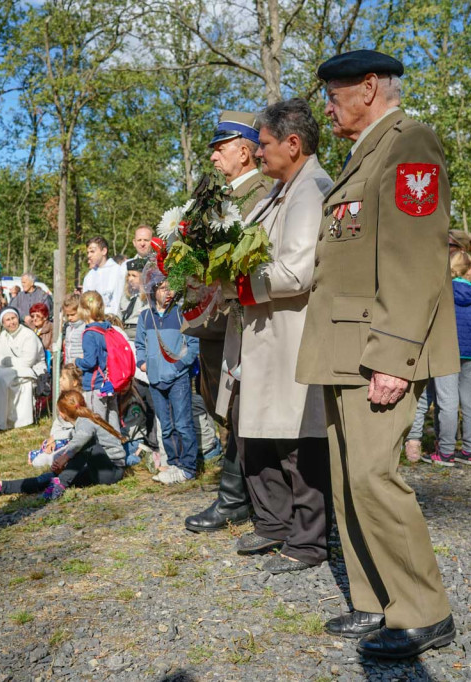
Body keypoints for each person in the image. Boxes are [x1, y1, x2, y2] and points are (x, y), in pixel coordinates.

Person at [295, 50, 459, 657]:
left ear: (369, 87)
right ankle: (375, 600)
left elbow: (416, 259)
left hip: (375, 348)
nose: (329, 107)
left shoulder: (409, 141)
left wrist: (395, 354)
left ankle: (423, 609)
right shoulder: (366, 150)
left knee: (374, 475)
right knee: (347, 480)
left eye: (335, 95)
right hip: (344, 345)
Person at [213, 98, 332, 574]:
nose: (258, 154)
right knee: (257, 433)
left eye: (262, 144)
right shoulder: (279, 190)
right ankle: (274, 522)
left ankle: (308, 541)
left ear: (293, 143)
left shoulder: (312, 190)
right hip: (264, 330)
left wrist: (236, 285)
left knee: (297, 440)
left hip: (292, 332)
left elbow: (296, 271)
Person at [184, 109, 274, 533]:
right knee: (227, 409)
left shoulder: (263, 193)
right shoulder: (221, 196)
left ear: (244, 151)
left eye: (220, 149)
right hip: (213, 321)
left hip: (240, 319)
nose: (214, 158)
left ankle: (237, 497)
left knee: (241, 408)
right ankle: (244, 495)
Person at [0, 389, 128, 500]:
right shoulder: (82, 422)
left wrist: (65, 458)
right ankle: (1, 487)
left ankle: (60, 485)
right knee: (51, 477)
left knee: (86, 445)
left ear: (62, 414)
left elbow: (82, 440)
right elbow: (73, 440)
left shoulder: (85, 423)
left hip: (112, 470)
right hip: (98, 470)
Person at [425, 252, 471, 466]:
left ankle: (446, 453)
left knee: (447, 401)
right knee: (470, 403)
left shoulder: (441, 293)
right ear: (469, 271)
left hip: (445, 351)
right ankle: (469, 451)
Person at [136, 277, 201, 484]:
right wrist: (143, 364)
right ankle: (173, 463)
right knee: (166, 425)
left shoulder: (181, 314)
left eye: (171, 288)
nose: (168, 292)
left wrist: (180, 366)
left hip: (178, 378)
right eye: (162, 288)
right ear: (153, 291)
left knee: (183, 423)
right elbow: (140, 344)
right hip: (155, 378)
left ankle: (188, 467)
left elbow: (193, 344)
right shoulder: (146, 317)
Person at [0, 308, 47, 430]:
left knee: (1, 381)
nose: (11, 322)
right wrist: (1, 364)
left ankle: (3, 421)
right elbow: (0, 356)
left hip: (31, 369)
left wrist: (7, 361)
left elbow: (28, 361)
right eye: (7, 320)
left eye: (13, 318)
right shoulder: (4, 335)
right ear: (3, 323)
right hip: (9, 368)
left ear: (18, 318)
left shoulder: (28, 335)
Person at [75, 290, 120, 427]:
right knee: (112, 421)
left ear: (83, 310)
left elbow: (89, 362)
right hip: (110, 382)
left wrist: (77, 361)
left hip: (96, 385)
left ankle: (105, 448)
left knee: (98, 423)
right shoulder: (108, 328)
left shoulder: (89, 334)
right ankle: (118, 446)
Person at [28, 365, 84, 469]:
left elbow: (78, 431)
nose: (59, 380)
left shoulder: (80, 401)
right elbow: (57, 422)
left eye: (63, 378)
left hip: (72, 440)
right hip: (60, 437)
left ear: (75, 382)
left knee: (43, 460)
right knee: (45, 449)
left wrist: (56, 437)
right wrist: (52, 439)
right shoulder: (63, 397)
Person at [81, 237, 125, 316]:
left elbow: (118, 298)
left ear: (104, 251)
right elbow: (85, 302)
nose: (89, 255)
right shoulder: (89, 276)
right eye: (88, 252)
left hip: (112, 320)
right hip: (94, 321)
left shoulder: (118, 271)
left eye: (92, 251)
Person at [119, 258, 148, 341]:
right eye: (129, 275)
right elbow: (119, 314)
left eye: (134, 276)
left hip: (140, 332)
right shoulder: (126, 296)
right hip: (124, 332)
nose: (130, 279)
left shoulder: (149, 298)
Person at [61, 293, 85, 364]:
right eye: (67, 315)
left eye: (73, 314)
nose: (69, 318)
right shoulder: (69, 328)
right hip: (69, 366)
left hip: (80, 367)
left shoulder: (85, 328)